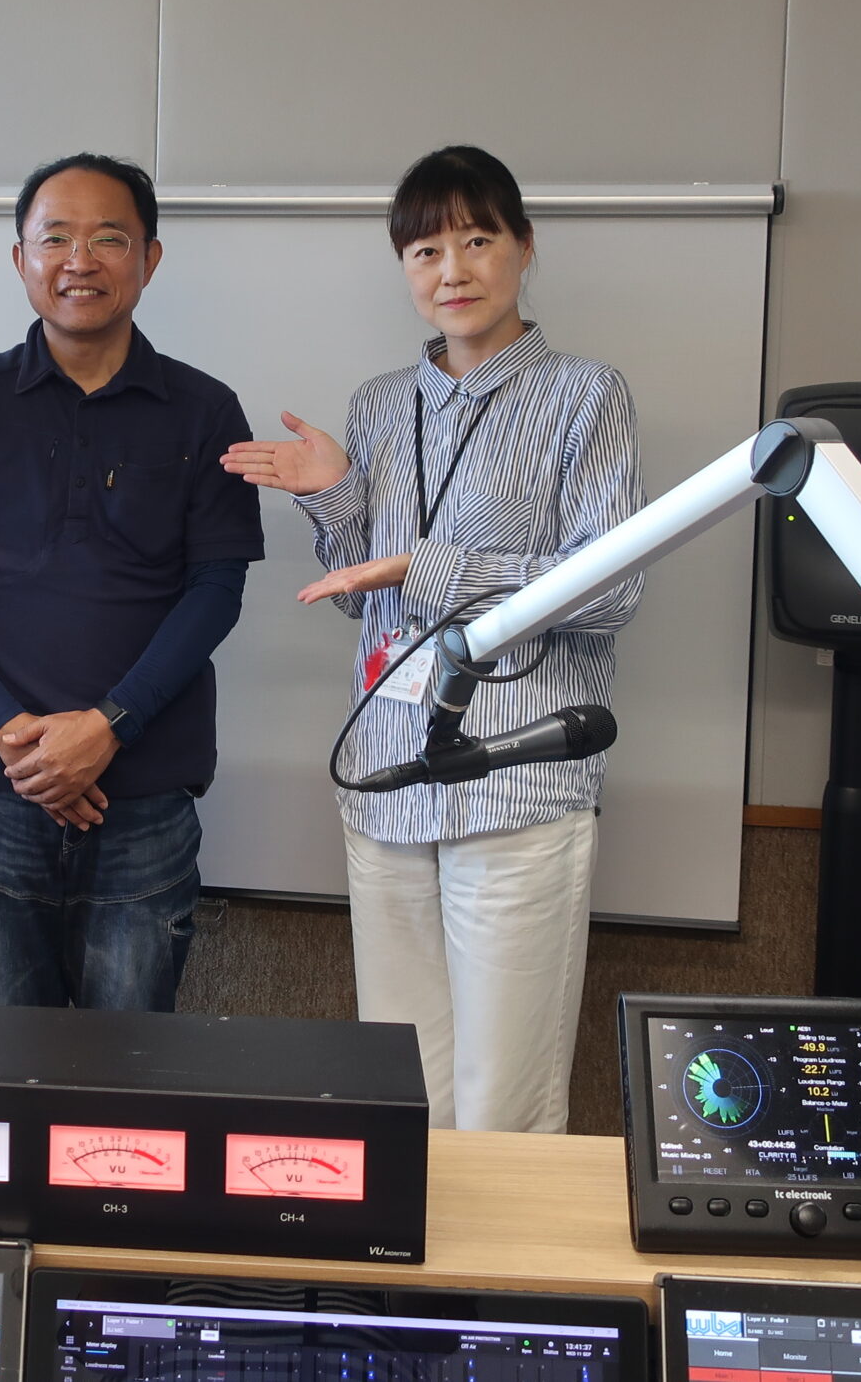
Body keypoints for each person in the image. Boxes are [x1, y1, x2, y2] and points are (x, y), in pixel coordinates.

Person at [222, 145, 642, 1131]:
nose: (451, 270)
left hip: (515, 782)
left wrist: (429, 566)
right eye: (423, 251)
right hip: (386, 776)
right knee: (401, 1091)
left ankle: (501, 1247)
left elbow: (610, 586)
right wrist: (334, 495)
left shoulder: (586, 394)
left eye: (476, 241)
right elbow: (359, 596)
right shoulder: (379, 403)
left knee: (503, 1102)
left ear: (524, 247)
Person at [0, 153, 266, 1010]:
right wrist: (10, 730)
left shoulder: (205, 409)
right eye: (54, 238)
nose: (78, 260)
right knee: (10, 1055)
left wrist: (108, 726)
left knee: (129, 1062)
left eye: (108, 238)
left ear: (149, 259)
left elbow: (216, 589)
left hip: (145, 792)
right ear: (20, 258)